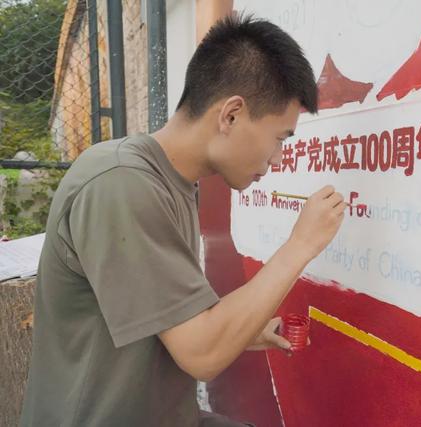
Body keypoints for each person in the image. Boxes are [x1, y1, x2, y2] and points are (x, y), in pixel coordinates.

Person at [19, 14, 346, 427]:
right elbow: (203, 353)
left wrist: (248, 332)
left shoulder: (173, 183)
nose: (279, 158)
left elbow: (177, 320)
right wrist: (301, 245)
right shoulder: (121, 183)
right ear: (230, 116)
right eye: (280, 137)